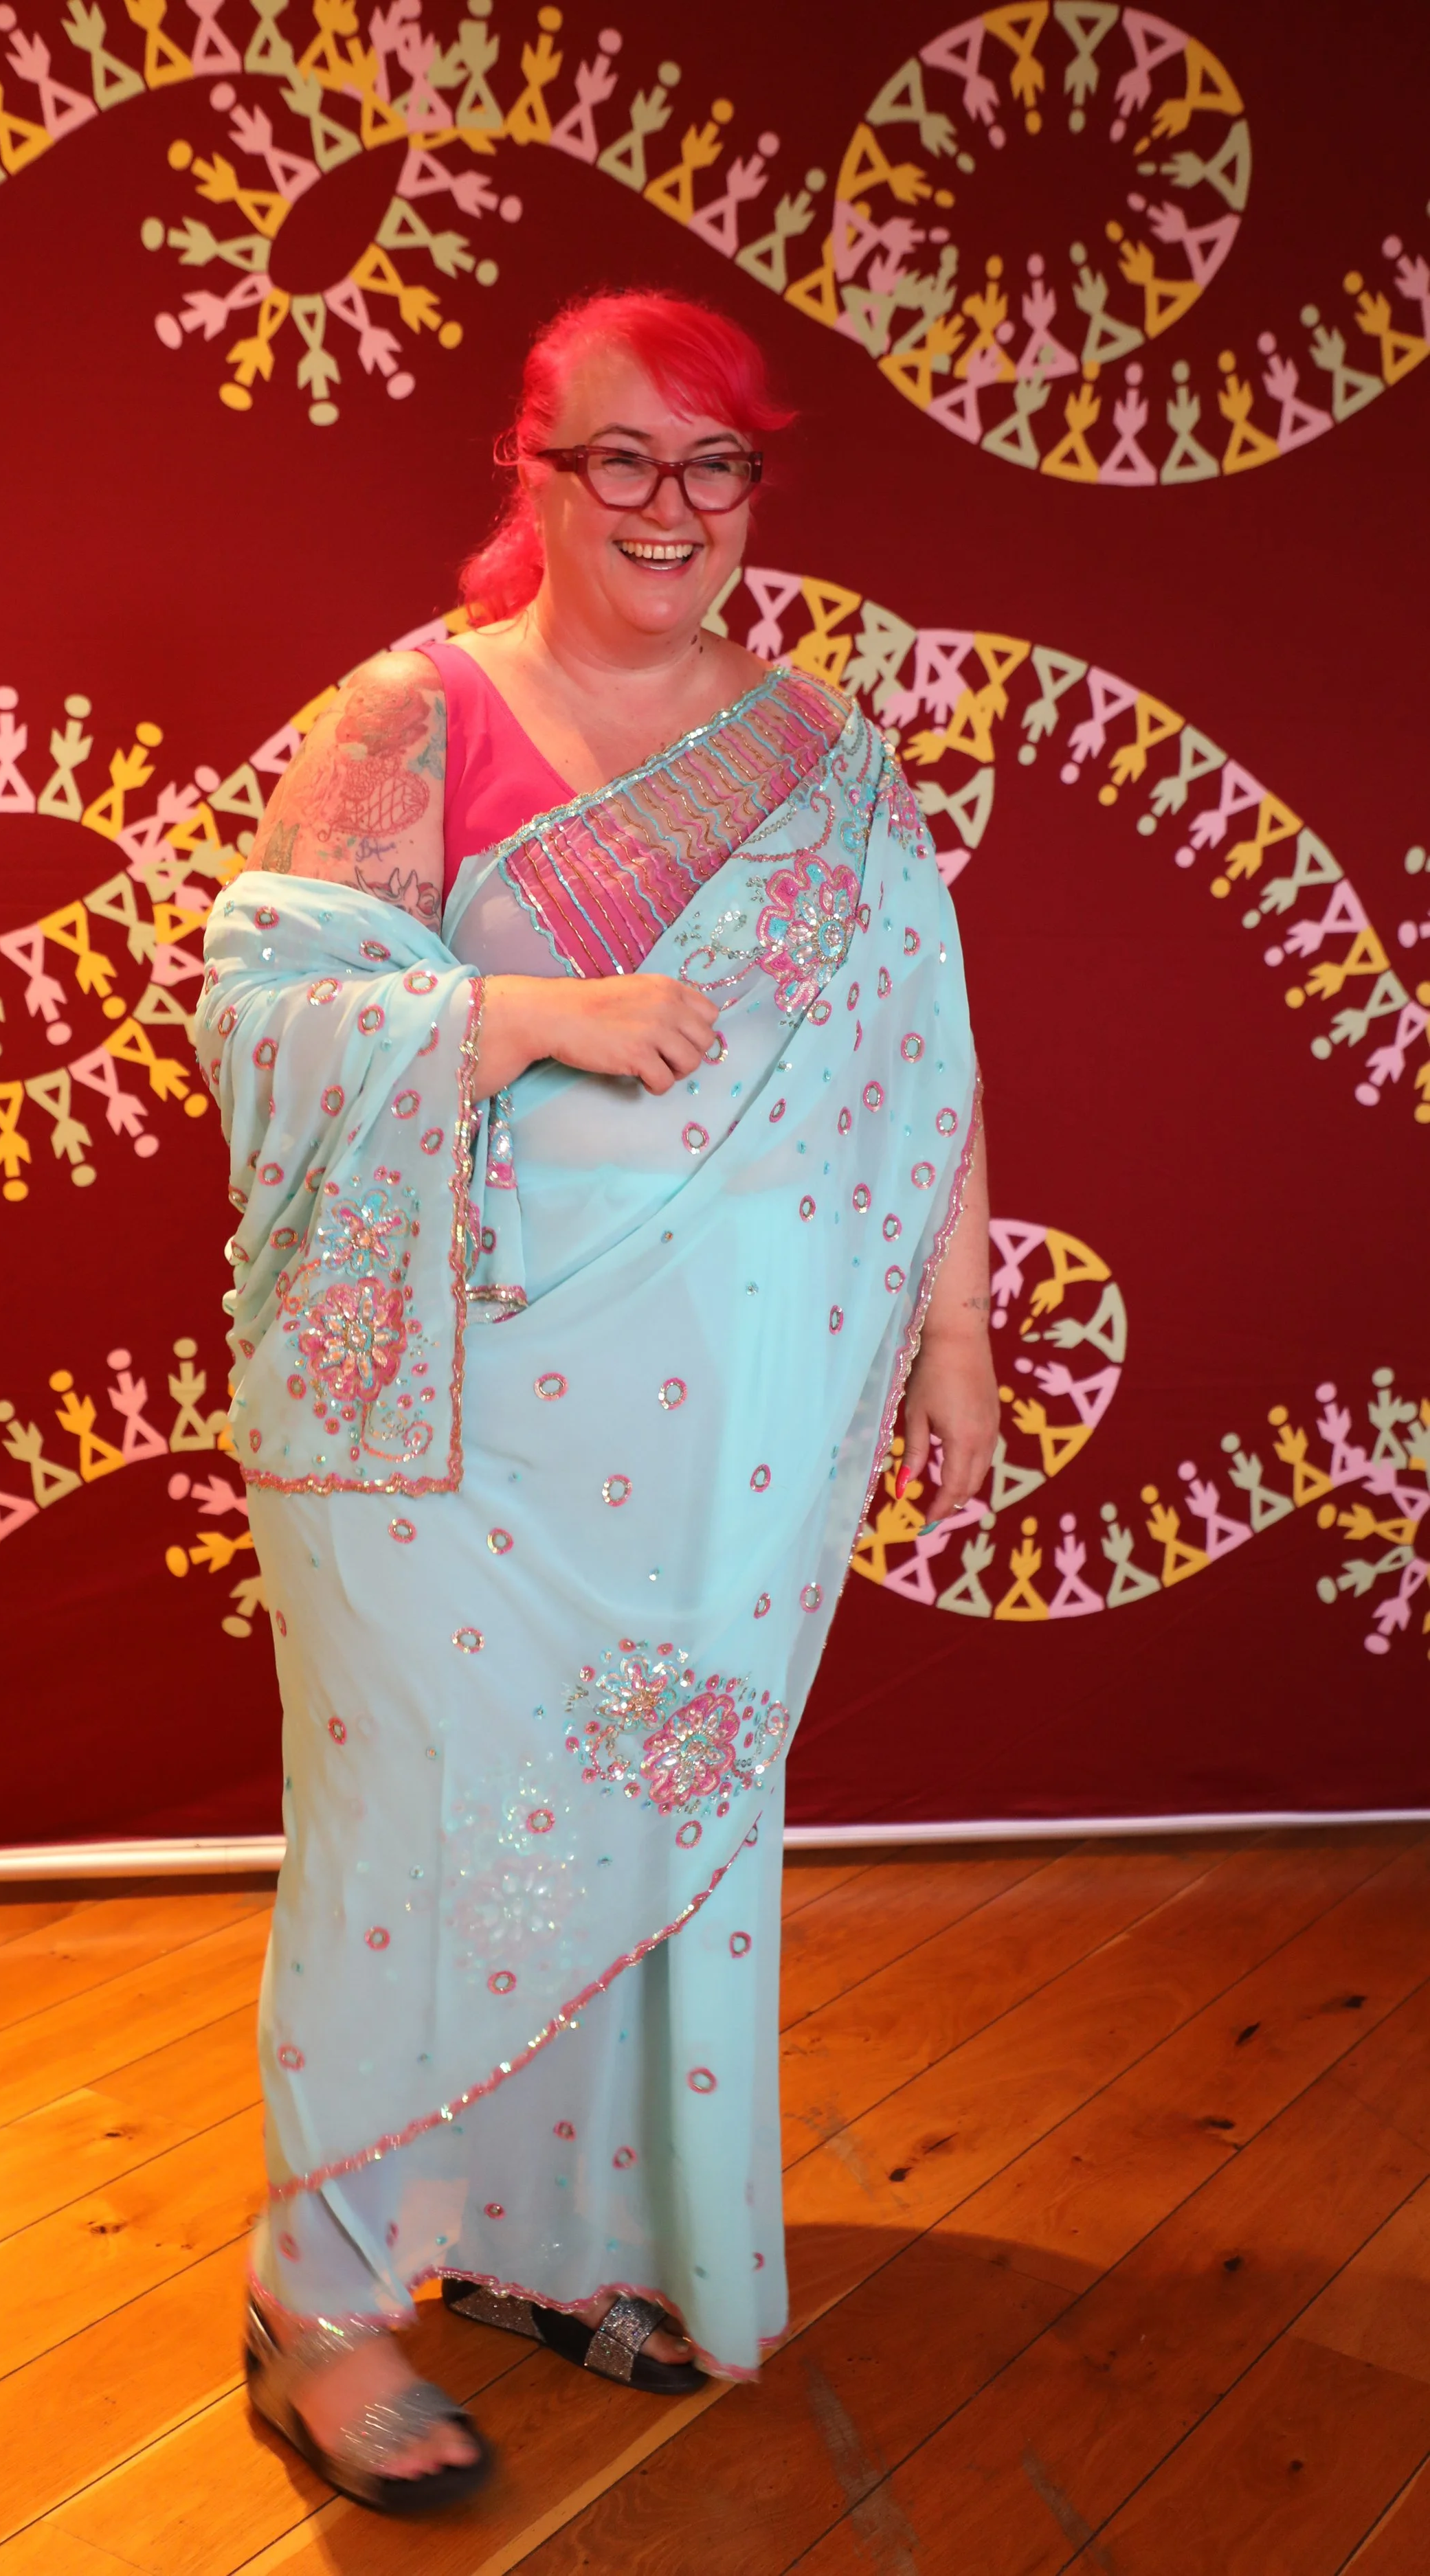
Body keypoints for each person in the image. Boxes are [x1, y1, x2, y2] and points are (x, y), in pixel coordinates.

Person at [194, 289, 996, 2514]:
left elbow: (914, 1068)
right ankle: (321, 2295)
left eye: (714, 464)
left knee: (649, 1818)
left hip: (711, 1431)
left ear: (756, 488)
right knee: (412, 1842)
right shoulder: (408, 711)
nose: (670, 507)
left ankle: (555, 2243)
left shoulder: (822, 759)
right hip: (425, 1418)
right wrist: (534, 1011)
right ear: (529, 473)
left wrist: (949, 1338)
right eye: (619, 460)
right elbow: (262, 1020)